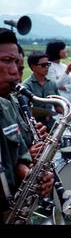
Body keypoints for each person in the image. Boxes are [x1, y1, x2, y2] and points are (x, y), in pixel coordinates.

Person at [0, 28, 53, 223]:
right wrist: (24, 171)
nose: (15, 71)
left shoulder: (11, 102)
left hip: (15, 207)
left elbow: (18, 156)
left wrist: (35, 168)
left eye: (17, 63)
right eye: (7, 61)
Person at [22, 52, 61, 129]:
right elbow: (24, 110)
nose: (47, 67)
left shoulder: (52, 83)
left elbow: (58, 106)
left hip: (51, 123)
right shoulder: (26, 86)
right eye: (43, 65)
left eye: (48, 64)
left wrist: (67, 113)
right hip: (36, 125)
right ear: (33, 67)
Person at [46, 40, 71, 119]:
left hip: (67, 99)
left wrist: (64, 87)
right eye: (63, 49)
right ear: (56, 51)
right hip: (57, 102)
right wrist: (67, 72)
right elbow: (54, 85)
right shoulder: (49, 66)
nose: (65, 51)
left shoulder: (64, 66)